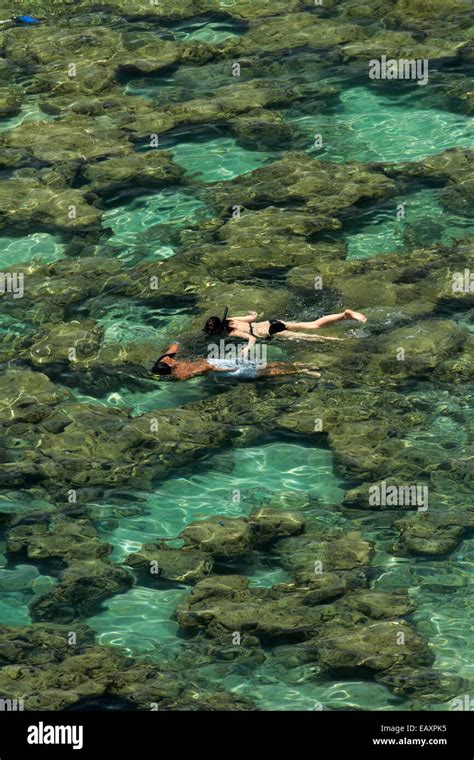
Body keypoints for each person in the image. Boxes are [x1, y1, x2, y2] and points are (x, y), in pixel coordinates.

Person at [203, 307, 366, 356]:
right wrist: (252, 314)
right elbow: (253, 317)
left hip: (272, 332)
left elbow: (251, 339)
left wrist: (246, 349)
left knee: (314, 338)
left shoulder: (230, 332)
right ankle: (344, 315)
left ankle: (346, 342)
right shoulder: (231, 320)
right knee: (313, 325)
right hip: (272, 322)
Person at [151, 343, 320, 381]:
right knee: (263, 370)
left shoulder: (168, 363)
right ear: (168, 366)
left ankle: (302, 367)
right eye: (168, 360)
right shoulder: (181, 374)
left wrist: (175, 343)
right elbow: (207, 368)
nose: (169, 359)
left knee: (263, 368)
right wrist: (226, 370)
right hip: (221, 367)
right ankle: (302, 370)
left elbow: (173, 347)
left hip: (221, 364)